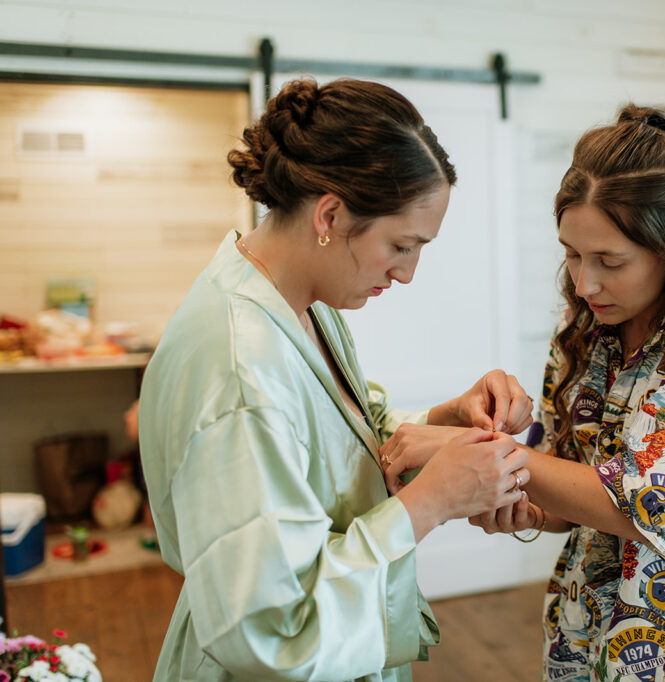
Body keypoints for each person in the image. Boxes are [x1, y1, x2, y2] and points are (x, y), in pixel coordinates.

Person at [381, 105, 665, 681]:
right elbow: (572, 490)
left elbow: (646, 506)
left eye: (609, 261)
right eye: (571, 254)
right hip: (589, 635)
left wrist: (467, 450)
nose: (584, 283)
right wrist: (517, 498)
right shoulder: (588, 329)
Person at [138, 78, 534, 682]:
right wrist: (431, 501)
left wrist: (443, 418)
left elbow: (335, 436)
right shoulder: (240, 366)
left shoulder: (298, 299)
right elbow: (267, 628)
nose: (406, 274)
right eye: (401, 245)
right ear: (330, 214)